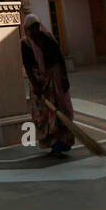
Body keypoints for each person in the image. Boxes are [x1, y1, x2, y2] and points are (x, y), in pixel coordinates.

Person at [21, 13, 75, 158]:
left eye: (36, 27)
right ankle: (52, 144)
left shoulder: (49, 39)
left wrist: (64, 77)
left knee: (60, 112)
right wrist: (35, 85)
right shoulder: (25, 45)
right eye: (31, 28)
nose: (34, 31)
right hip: (39, 84)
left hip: (54, 80)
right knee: (45, 115)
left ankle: (61, 144)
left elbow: (59, 59)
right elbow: (27, 66)